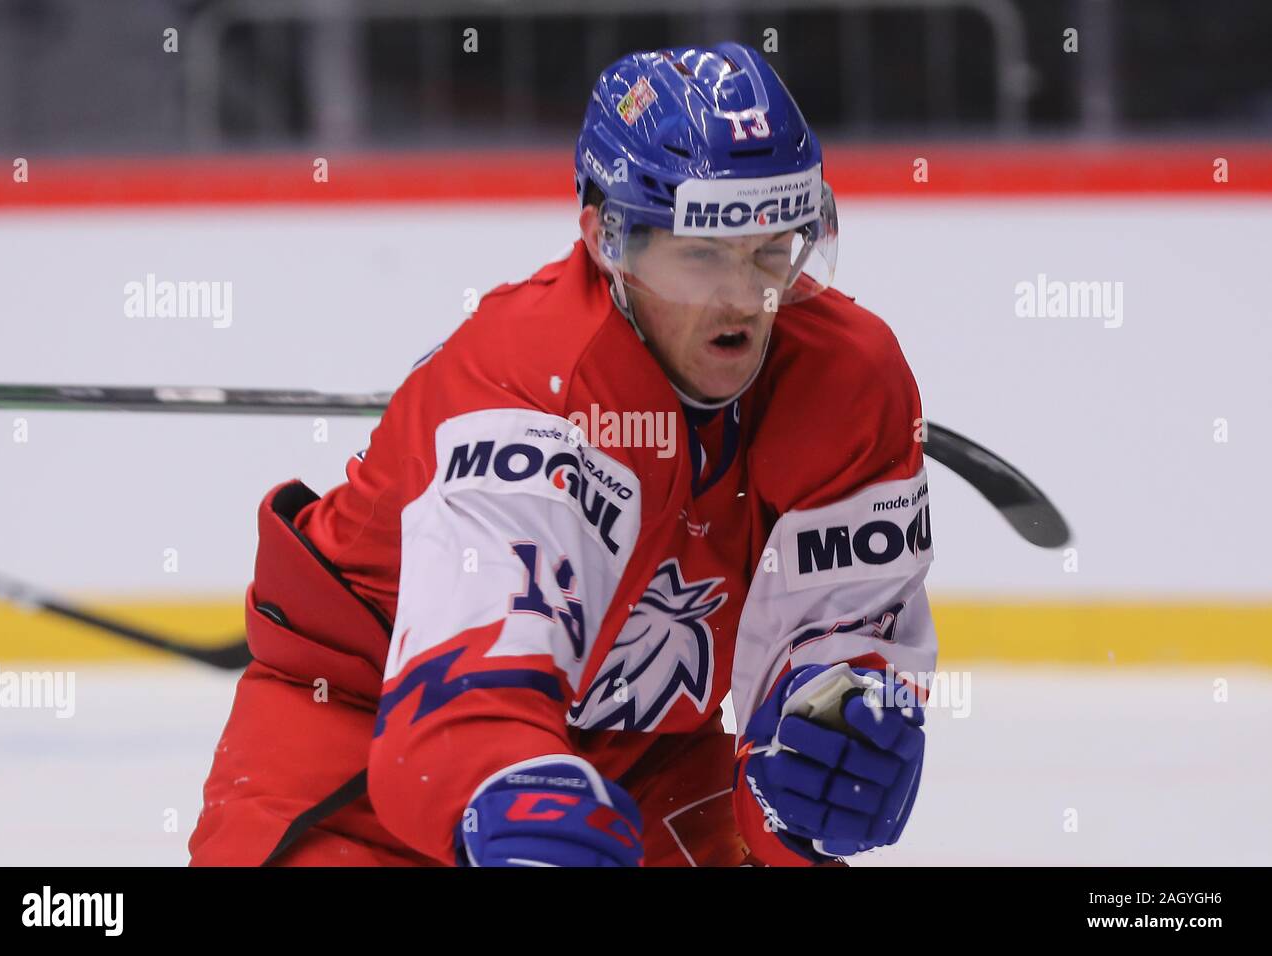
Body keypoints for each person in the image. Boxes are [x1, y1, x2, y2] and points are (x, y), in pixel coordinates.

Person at [189, 41, 936, 868]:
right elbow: (454, 709)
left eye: (771, 250)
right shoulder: (524, 387)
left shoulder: (847, 380)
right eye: (700, 253)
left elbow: (835, 652)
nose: (742, 298)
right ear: (605, 237)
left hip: (644, 755)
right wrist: (505, 786)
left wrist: (818, 762)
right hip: (357, 748)